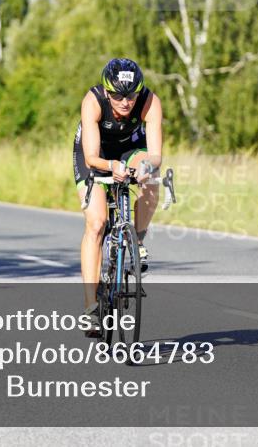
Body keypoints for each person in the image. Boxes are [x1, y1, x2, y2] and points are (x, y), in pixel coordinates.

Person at [73, 58, 163, 328]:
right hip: (97, 154)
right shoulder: (93, 101)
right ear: (106, 90)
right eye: (117, 95)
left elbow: (156, 154)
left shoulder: (150, 101)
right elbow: (90, 157)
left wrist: (147, 168)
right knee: (97, 223)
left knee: (152, 180)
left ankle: (137, 241)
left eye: (131, 95)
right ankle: (91, 307)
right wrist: (111, 167)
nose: (125, 102)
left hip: (130, 149)